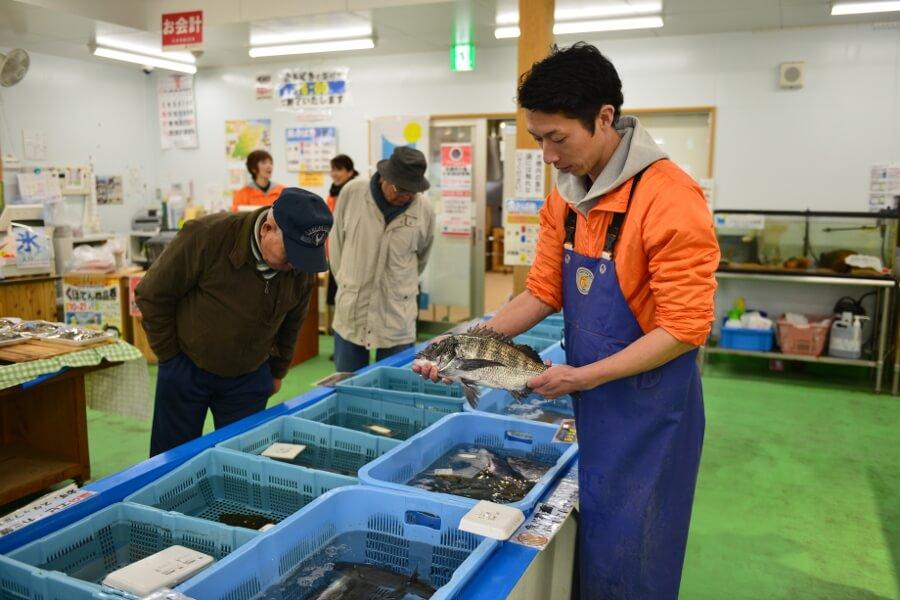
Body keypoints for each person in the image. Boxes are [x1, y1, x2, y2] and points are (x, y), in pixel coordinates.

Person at [415, 43, 719, 599]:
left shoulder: (670, 198)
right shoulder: (567, 198)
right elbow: (542, 291)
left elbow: (684, 327)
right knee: (599, 532)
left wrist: (583, 376)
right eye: (538, 139)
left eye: (558, 138)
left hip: (652, 409)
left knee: (638, 547)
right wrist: (463, 346)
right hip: (593, 400)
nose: (548, 156)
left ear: (604, 117)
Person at [137, 188, 333, 456]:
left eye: (304, 257)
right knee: (172, 459)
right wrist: (170, 356)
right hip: (187, 366)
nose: (296, 266)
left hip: (249, 376)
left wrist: (277, 371)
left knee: (241, 461)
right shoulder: (207, 236)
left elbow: (293, 320)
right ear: (267, 229)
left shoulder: (300, 265)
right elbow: (151, 294)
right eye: (290, 255)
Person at [329, 146, 435, 373]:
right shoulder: (352, 192)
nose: (406, 195)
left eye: (412, 190)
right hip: (352, 311)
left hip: (396, 315)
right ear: (384, 177)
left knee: (394, 384)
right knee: (347, 384)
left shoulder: (424, 209)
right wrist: (348, 282)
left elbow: (421, 259)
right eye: (400, 188)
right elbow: (336, 243)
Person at [325, 154, 359, 337]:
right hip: (334, 250)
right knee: (337, 296)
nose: (334, 174)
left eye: (339, 169)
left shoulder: (356, 191)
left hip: (351, 252)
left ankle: (351, 333)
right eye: (333, 169)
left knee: (350, 296)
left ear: (350, 172)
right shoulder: (333, 193)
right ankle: (340, 334)